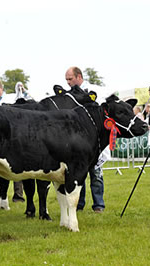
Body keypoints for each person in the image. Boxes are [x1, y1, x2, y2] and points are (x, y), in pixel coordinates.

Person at [65, 66, 105, 213]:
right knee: (78, 173)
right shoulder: (69, 95)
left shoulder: (93, 91)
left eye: (70, 79)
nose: (68, 82)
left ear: (79, 77)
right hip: (77, 139)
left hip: (94, 139)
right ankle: (79, 205)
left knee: (96, 173)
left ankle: (98, 204)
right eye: (67, 80)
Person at [0, 77, 25, 207]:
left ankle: (18, 195)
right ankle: (0, 197)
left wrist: (22, 89)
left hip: (15, 136)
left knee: (18, 167)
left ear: (1, 88)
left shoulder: (12, 98)